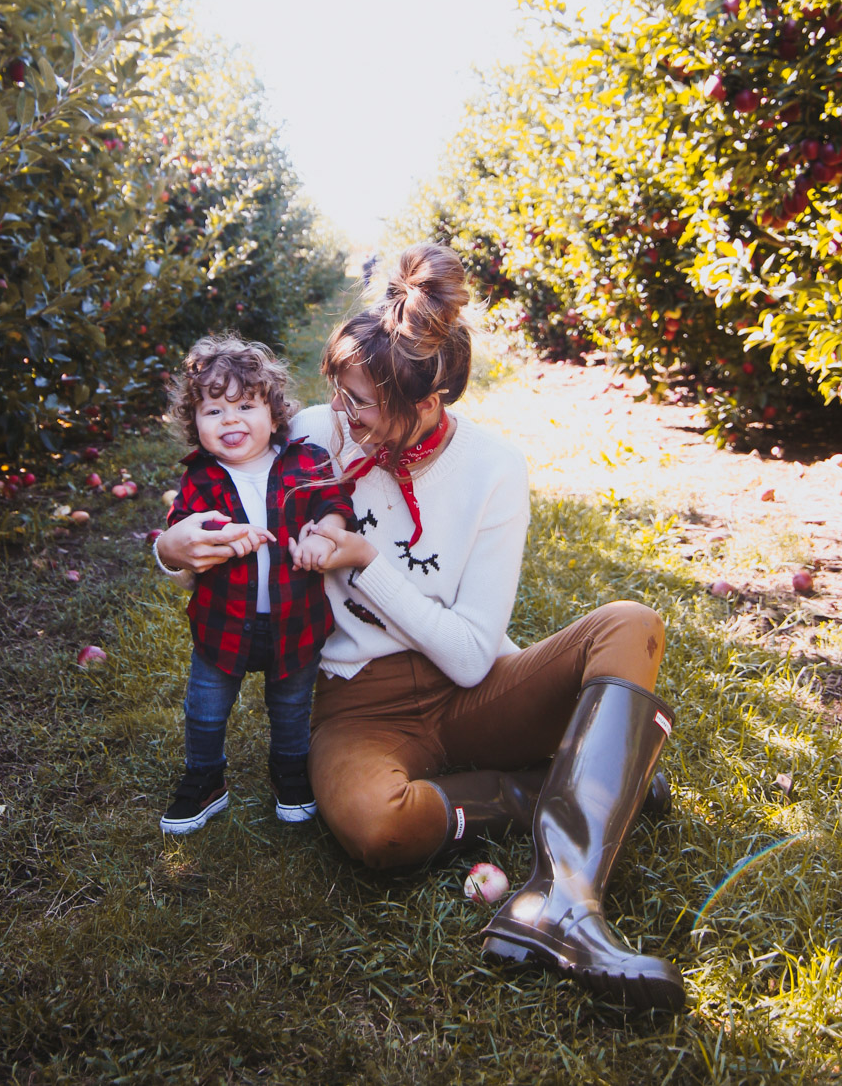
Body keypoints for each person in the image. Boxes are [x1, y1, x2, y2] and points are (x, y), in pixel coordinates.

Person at [156, 248, 685, 1012]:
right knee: (379, 827)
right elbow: (208, 508)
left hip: (470, 689)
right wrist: (171, 549)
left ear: (427, 400)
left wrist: (368, 561)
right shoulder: (310, 433)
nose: (341, 417)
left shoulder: (493, 469)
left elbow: (473, 657)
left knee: (630, 624)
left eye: (360, 404)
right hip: (356, 704)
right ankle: (549, 790)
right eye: (337, 395)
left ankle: (566, 900)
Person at [154, 334, 355, 836]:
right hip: (222, 624)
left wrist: (327, 535)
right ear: (194, 421)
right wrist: (214, 536)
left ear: (274, 411)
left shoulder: (304, 462)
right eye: (213, 411)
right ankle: (205, 779)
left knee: (290, 708)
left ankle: (290, 775)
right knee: (204, 709)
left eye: (245, 405)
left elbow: (337, 505)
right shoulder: (201, 478)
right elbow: (183, 533)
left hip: (295, 621)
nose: (230, 421)